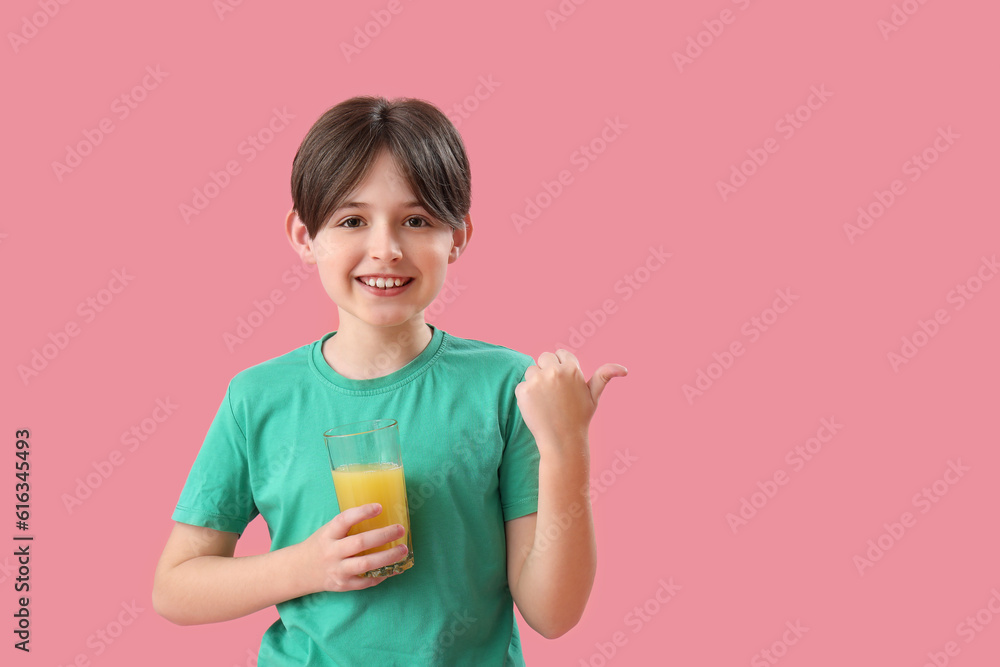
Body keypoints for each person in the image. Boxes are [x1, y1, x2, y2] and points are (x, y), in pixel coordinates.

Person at [152, 95, 627, 665]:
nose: (386, 249)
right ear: (305, 237)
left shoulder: (510, 389)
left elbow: (553, 613)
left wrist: (568, 447)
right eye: (352, 220)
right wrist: (305, 567)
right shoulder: (256, 398)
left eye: (417, 220)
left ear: (459, 235)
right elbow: (175, 587)